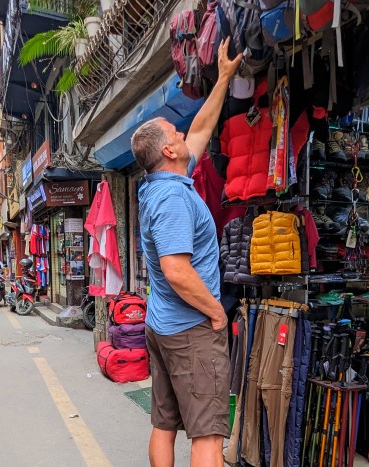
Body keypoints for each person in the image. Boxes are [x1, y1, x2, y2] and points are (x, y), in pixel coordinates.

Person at [131, 38, 241, 467]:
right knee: (207, 436)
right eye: (174, 132)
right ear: (168, 151)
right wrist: (216, 312)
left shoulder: (165, 182)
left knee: (164, 423)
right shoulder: (173, 198)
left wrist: (224, 77)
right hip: (190, 330)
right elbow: (176, 270)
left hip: (163, 326)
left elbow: (200, 130)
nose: (182, 132)